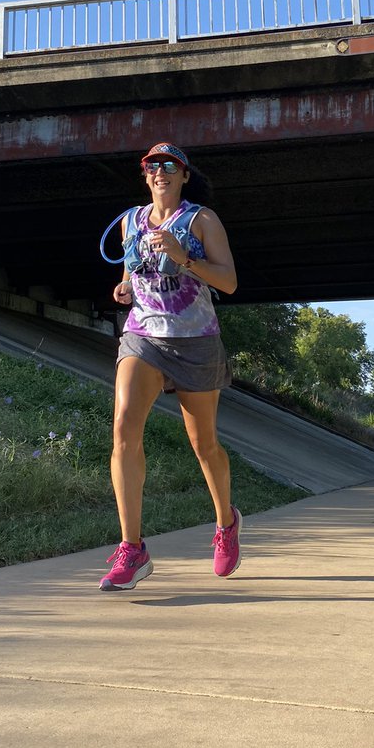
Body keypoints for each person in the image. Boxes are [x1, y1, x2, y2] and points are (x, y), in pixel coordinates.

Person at [99, 142, 240, 592]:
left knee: (205, 446)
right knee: (123, 428)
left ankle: (225, 523)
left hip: (196, 341)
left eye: (169, 166)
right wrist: (122, 290)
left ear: (183, 176)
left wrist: (184, 257)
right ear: (145, 176)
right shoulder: (130, 221)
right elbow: (130, 276)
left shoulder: (202, 220)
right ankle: (132, 549)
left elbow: (230, 283)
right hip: (143, 337)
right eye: (151, 166)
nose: (159, 172)